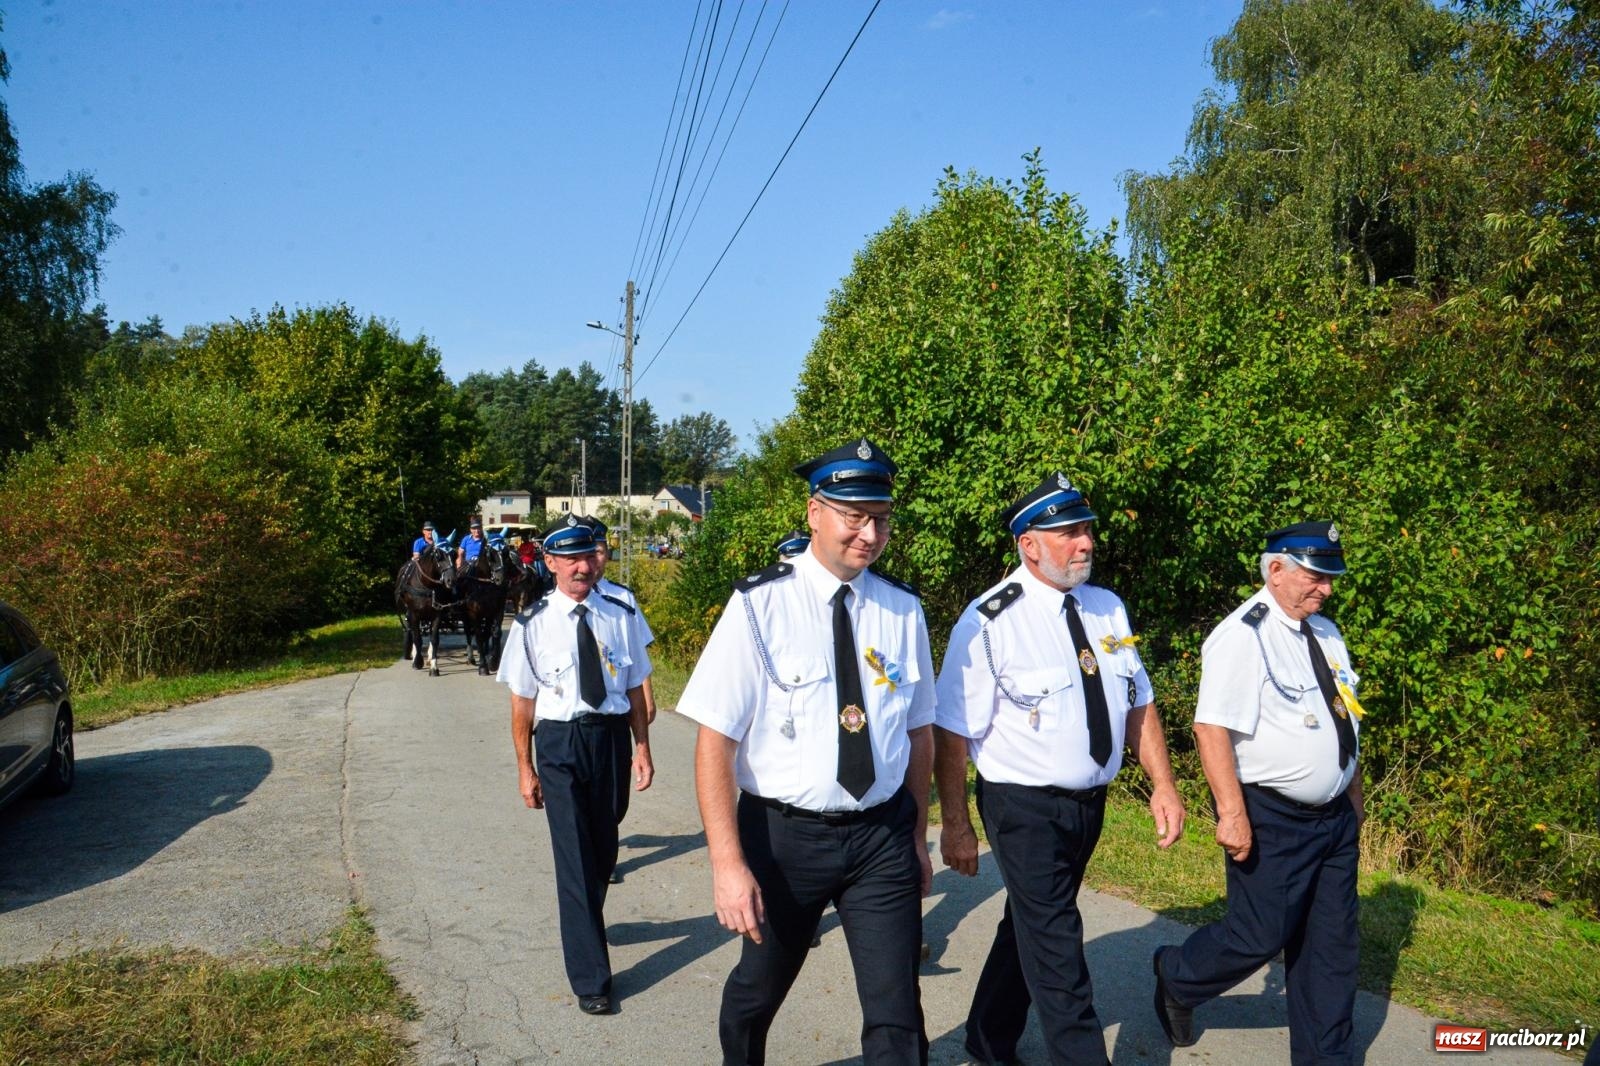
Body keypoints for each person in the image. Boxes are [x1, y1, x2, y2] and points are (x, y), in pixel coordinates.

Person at [678, 438, 935, 1066]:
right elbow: (715, 740)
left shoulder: (903, 609)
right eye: (854, 516)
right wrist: (727, 865)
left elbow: (918, 732)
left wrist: (917, 835)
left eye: (881, 518)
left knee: (897, 1007)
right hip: (783, 838)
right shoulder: (759, 605)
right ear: (815, 512)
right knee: (758, 990)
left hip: (881, 835)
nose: (870, 534)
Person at [934, 473, 1185, 1066]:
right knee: (1058, 948)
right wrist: (956, 823)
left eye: (1086, 530)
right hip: (1021, 806)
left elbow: (1138, 701)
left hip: (1089, 804)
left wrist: (1164, 784)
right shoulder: (989, 620)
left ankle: (987, 1037)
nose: (1086, 543)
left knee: (1030, 924)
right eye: (1069, 533)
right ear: (1028, 544)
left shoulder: (1107, 607)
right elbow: (952, 731)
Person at [1152, 521, 1363, 1065]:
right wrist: (1231, 814)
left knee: (1331, 946)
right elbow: (1211, 729)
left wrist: (1353, 799)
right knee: (1258, 936)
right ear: (1275, 570)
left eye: (1330, 579)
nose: (1327, 589)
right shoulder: (1242, 636)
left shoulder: (1327, 635)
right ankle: (1178, 975)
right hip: (1272, 815)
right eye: (1316, 578)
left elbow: (1345, 721)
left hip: (1335, 817)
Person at [497, 513, 655, 1017]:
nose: (582, 568)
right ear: (550, 563)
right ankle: (592, 979)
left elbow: (636, 686)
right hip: (560, 743)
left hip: (609, 740)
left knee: (604, 846)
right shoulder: (532, 624)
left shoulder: (621, 612)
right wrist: (525, 768)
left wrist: (642, 746)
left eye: (588, 557)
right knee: (574, 856)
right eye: (570, 560)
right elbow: (523, 703)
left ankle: (586, 915)